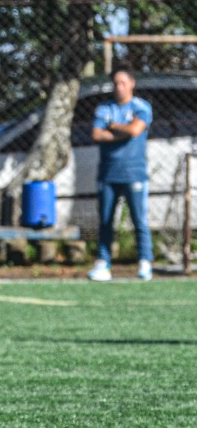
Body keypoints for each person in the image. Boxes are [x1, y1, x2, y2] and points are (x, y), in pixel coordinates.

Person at [88, 65, 154, 282]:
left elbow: (136, 130)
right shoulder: (103, 109)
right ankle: (103, 263)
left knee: (139, 220)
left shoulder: (141, 107)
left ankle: (145, 262)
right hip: (108, 173)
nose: (119, 87)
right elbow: (96, 134)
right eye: (115, 83)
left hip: (134, 173)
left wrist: (114, 126)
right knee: (106, 221)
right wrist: (122, 133)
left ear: (132, 84)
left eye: (123, 82)